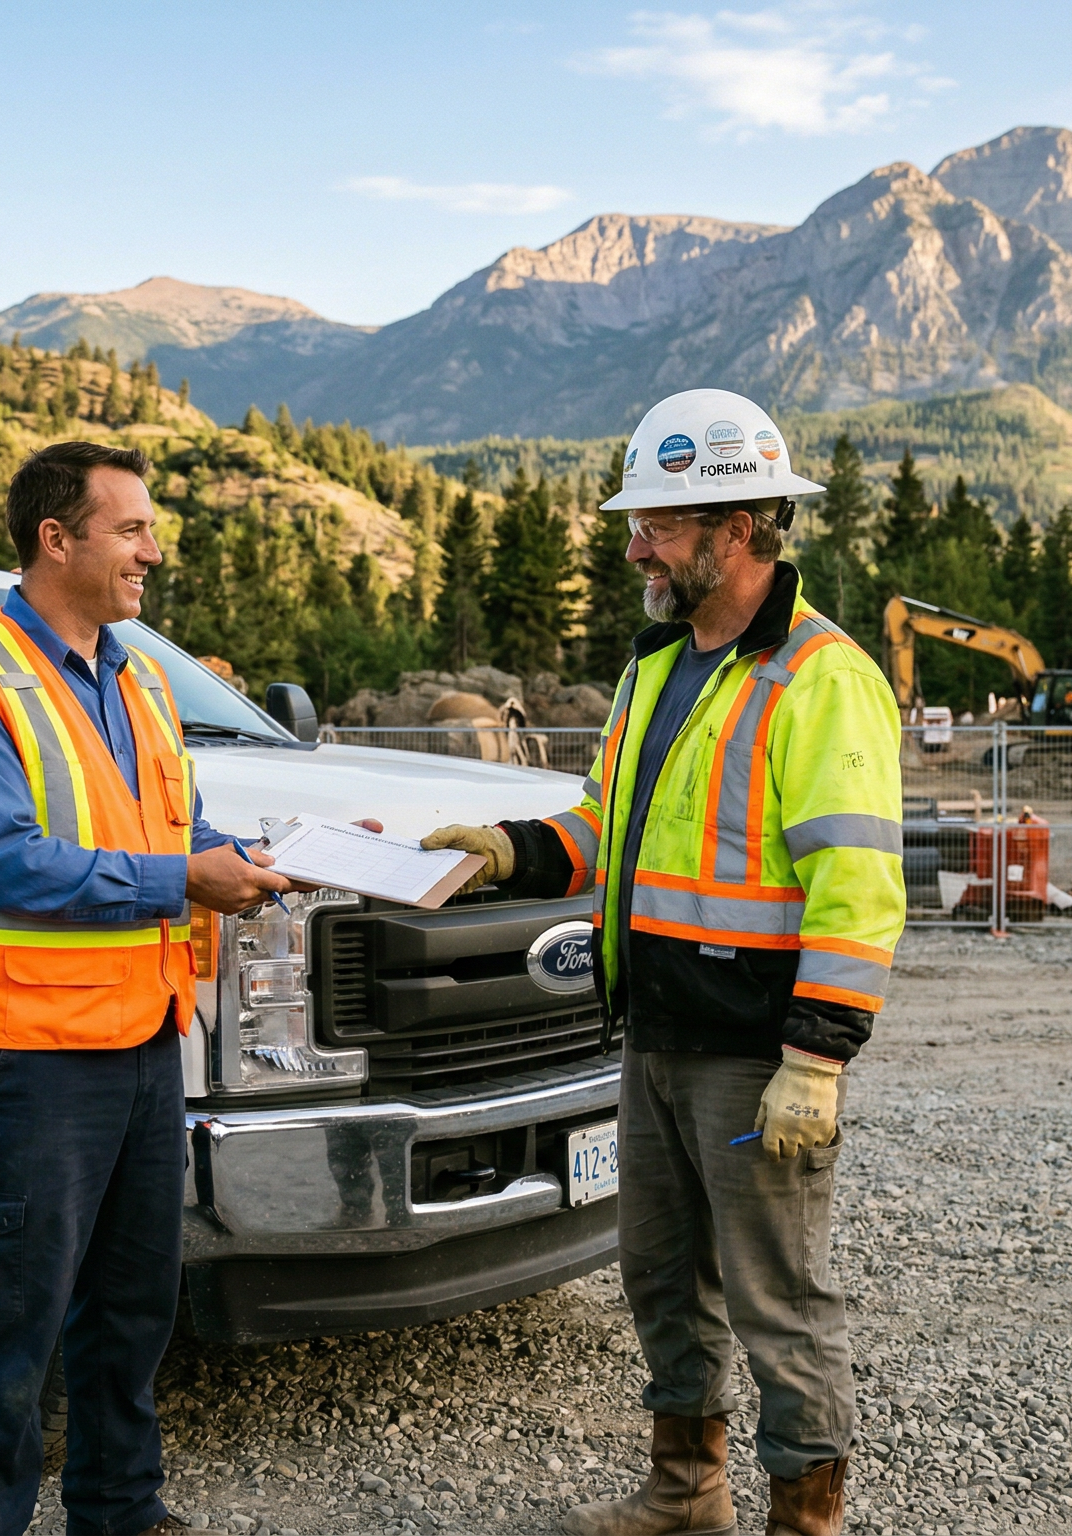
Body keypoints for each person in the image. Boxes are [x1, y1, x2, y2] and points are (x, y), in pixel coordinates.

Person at [422, 389, 903, 1536]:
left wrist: (817, 1058)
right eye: (637, 522)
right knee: (661, 1283)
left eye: (659, 525)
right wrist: (511, 850)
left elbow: (858, 883)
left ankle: (807, 1520)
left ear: (737, 528)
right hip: (656, 1037)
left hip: (756, 1054)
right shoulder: (653, 670)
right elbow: (611, 829)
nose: (633, 544)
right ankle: (688, 1495)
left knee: (777, 1301)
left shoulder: (820, 676)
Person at [0, 441, 297, 1536]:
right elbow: (8, 861)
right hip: (27, 1056)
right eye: (130, 530)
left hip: (141, 1042)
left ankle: (120, 1512)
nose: (151, 552)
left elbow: (179, 828)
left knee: (130, 1311)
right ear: (55, 540)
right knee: (6, 1325)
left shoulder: (140, 677)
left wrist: (267, 856)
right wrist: (184, 879)